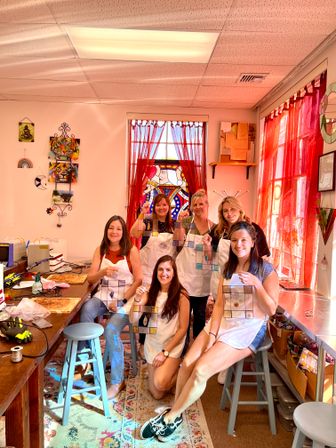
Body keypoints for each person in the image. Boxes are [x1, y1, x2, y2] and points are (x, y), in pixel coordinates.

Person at [140, 221, 278, 442]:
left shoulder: (265, 270)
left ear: (253, 242)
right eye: (234, 240)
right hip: (223, 321)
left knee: (202, 370)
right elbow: (221, 306)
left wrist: (257, 285)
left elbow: (271, 309)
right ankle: (178, 410)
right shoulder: (228, 268)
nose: (238, 244)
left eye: (243, 240)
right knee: (187, 364)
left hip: (247, 329)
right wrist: (212, 335)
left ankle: (170, 417)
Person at [209, 196, 270, 384]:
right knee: (224, 319)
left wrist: (261, 282)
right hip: (224, 277)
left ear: (239, 209)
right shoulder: (218, 231)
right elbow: (211, 255)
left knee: (240, 320)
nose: (229, 214)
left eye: (232, 210)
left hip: (247, 281)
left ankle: (229, 361)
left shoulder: (254, 229)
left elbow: (265, 257)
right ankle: (223, 361)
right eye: (225, 211)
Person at [78, 215, 142, 392]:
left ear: (124, 232)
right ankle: (86, 361)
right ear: (106, 231)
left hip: (125, 297)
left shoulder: (131, 251)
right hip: (105, 294)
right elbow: (90, 278)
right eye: (111, 228)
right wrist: (103, 271)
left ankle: (117, 381)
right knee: (86, 310)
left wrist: (121, 301)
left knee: (111, 329)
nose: (114, 232)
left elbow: (139, 280)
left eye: (118, 229)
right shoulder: (100, 250)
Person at [130, 255, 189, 399]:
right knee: (157, 394)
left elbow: (183, 329)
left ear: (174, 273)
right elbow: (133, 319)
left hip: (171, 345)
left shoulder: (182, 295)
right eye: (160, 269)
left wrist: (165, 353)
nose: (164, 273)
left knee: (160, 383)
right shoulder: (150, 291)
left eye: (168, 270)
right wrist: (137, 300)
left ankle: (181, 374)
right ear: (156, 272)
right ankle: (165, 375)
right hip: (153, 344)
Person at [130, 193, 176, 358]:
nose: (162, 207)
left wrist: (183, 225)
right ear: (154, 207)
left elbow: (178, 246)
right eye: (158, 205)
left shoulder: (173, 225)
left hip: (165, 275)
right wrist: (142, 213)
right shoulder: (148, 222)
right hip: (149, 273)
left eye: (165, 205)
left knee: (161, 309)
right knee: (146, 308)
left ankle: (160, 342)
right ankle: (143, 342)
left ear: (169, 207)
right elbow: (134, 233)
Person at [174, 189, 215, 341]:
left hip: (202, 279)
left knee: (199, 317)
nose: (198, 207)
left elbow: (212, 257)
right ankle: (181, 351)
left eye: (201, 204)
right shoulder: (185, 222)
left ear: (207, 205)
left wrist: (208, 248)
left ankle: (196, 351)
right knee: (183, 318)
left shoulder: (214, 227)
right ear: (191, 207)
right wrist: (178, 222)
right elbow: (177, 243)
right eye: (195, 204)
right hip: (185, 277)